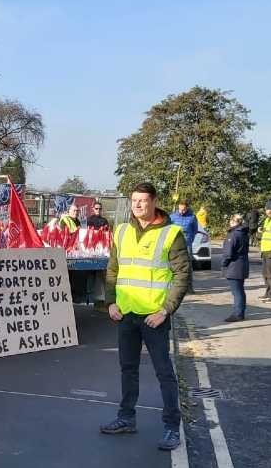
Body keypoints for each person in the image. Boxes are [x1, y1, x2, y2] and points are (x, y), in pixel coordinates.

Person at [100, 182, 190, 451]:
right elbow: (113, 270)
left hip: (154, 318)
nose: (137, 205)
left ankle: (172, 428)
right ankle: (126, 418)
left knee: (165, 373)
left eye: (142, 200)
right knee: (128, 370)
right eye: (134, 200)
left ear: (154, 201)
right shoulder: (122, 231)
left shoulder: (171, 233)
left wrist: (165, 310)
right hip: (126, 315)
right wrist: (111, 302)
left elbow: (182, 275)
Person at [222, 214, 250, 322]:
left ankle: (238, 314)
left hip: (234, 266)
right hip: (242, 265)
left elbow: (228, 253)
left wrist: (224, 263)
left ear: (233, 221)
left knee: (237, 292)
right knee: (240, 290)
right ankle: (240, 312)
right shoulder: (244, 233)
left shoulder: (233, 234)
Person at [169, 199, 198, 294]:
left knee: (188, 266)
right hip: (174, 244)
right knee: (174, 265)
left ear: (187, 208)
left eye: (184, 209)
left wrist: (190, 239)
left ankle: (189, 287)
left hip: (187, 244)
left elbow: (195, 230)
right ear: (178, 207)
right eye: (180, 209)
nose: (182, 211)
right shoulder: (172, 217)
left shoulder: (192, 217)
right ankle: (174, 287)